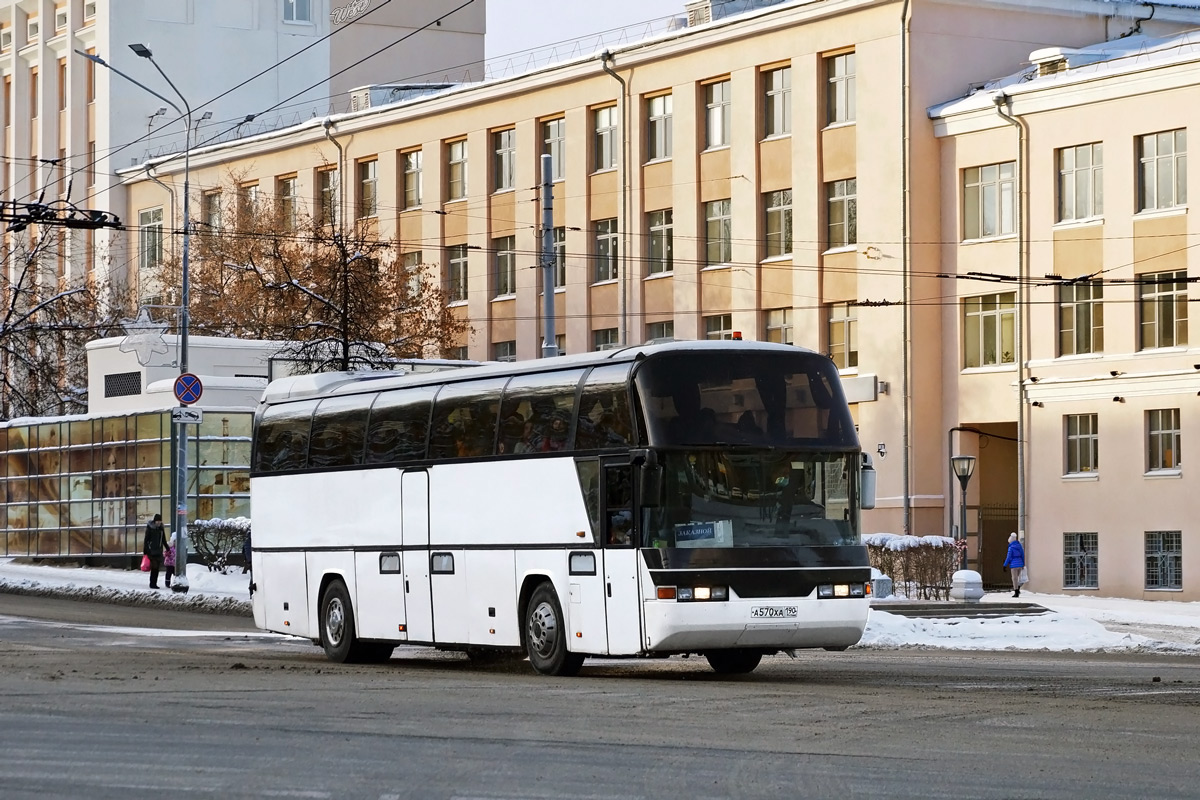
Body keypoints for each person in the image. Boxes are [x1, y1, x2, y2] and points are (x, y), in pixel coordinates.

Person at [142, 513, 167, 589]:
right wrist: (146, 551)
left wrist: (167, 548)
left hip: (158, 551)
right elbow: (146, 540)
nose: (159, 522)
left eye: (160, 521)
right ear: (155, 521)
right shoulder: (150, 528)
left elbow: (163, 540)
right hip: (151, 551)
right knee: (154, 567)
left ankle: (154, 583)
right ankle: (152, 583)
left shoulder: (161, 529)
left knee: (156, 568)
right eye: (157, 521)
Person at [1003, 532, 1026, 598]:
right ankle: (1018, 589)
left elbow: (1008, 557)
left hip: (1014, 565)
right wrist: (1023, 563)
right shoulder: (1019, 546)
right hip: (1020, 564)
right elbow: (1022, 555)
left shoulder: (1011, 548)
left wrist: (1005, 565)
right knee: (1018, 578)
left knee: (1014, 578)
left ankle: (1016, 591)